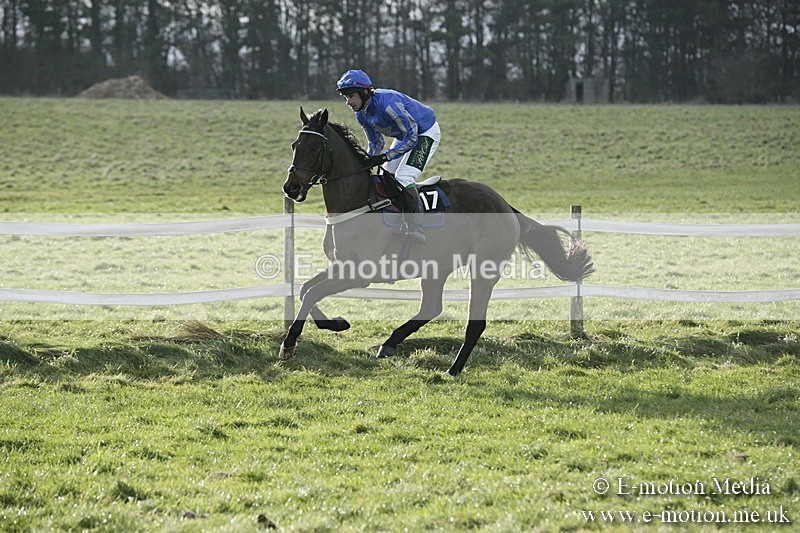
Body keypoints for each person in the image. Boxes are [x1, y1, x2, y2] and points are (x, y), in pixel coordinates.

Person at [336, 69, 440, 244]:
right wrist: (367, 161)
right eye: (345, 97)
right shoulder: (361, 114)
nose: (348, 102)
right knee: (385, 176)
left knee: (403, 178)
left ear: (364, 92)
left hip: (425, 133)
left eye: (351, 96)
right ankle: (395, 219)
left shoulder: (388, 104)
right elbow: (376, 143)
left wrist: (386, 157)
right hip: (404, 136)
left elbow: (412, 137)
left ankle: (416, 227)